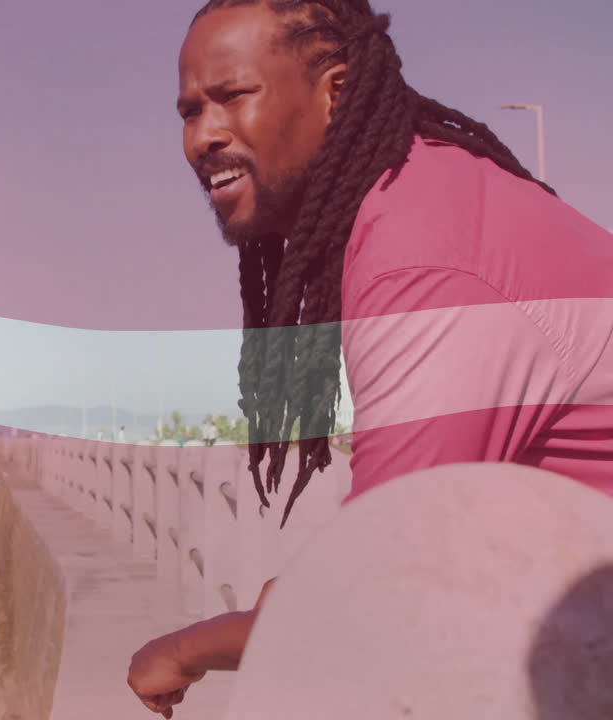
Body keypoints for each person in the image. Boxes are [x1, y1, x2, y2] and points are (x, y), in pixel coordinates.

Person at [127, 1, 613, 716]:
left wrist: (181, 651)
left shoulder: (424, 266)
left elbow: (367, 606)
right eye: (190, 111)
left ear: (338, 91)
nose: (204, 136)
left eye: (233, 96)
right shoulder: (423, 192)